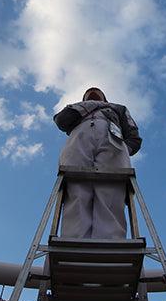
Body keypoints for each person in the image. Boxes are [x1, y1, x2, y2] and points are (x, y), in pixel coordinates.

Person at [53, 87, 142, 240]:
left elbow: (133, 135)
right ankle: (74, 239)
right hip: (79, 139)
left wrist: (122, 149)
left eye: (97, 91)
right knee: (76, 188)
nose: (92, 90)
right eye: (88, 93)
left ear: (106, 99)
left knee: (111, 190)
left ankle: (111, 239)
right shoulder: (75, 110)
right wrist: (87, 105)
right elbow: (61, 122)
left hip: (113, 140)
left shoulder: (119, 109)